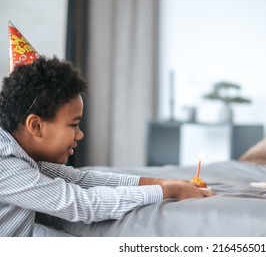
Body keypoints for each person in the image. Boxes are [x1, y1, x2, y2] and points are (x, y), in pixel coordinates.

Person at [0, 56, 214, 237]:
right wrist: (170, 191)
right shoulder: (6, 165)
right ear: (36, 125)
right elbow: (83, 204)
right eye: (73, 124)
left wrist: (162, 181)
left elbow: (81, 180)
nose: (80, 134)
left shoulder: (21, 154)